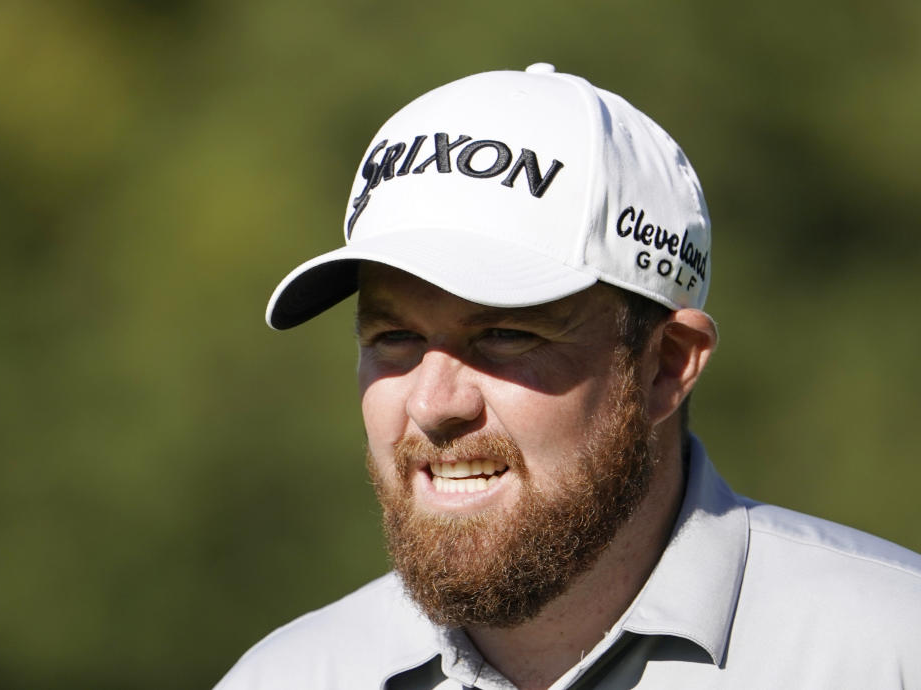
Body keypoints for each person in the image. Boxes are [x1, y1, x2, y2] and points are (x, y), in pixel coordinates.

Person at [215, 64, 921, 689]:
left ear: (665, 367)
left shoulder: (891, 651)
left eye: (504, 335)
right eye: (394, 337)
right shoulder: (290, 676)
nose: (433, 404)